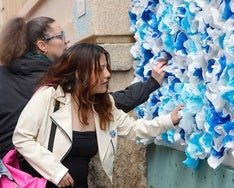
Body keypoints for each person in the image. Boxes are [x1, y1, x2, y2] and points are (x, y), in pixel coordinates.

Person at [12, 42, 183, 188]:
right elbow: (22, 137)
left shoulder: (103, 103)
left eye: (106, 67)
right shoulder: (50, 96)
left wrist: (169, 120)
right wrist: (56, 172)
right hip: (43, 183)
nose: (108, 74)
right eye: (100, 69)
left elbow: (133, 129)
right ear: (79, 73)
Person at [0, 16, 167, 159]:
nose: (67, 41)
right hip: (40, 172)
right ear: (42, 46)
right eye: (61, 35)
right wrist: (150, 84)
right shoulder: (56, 81)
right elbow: (107, 102)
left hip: (8, 171)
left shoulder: (4, 74)